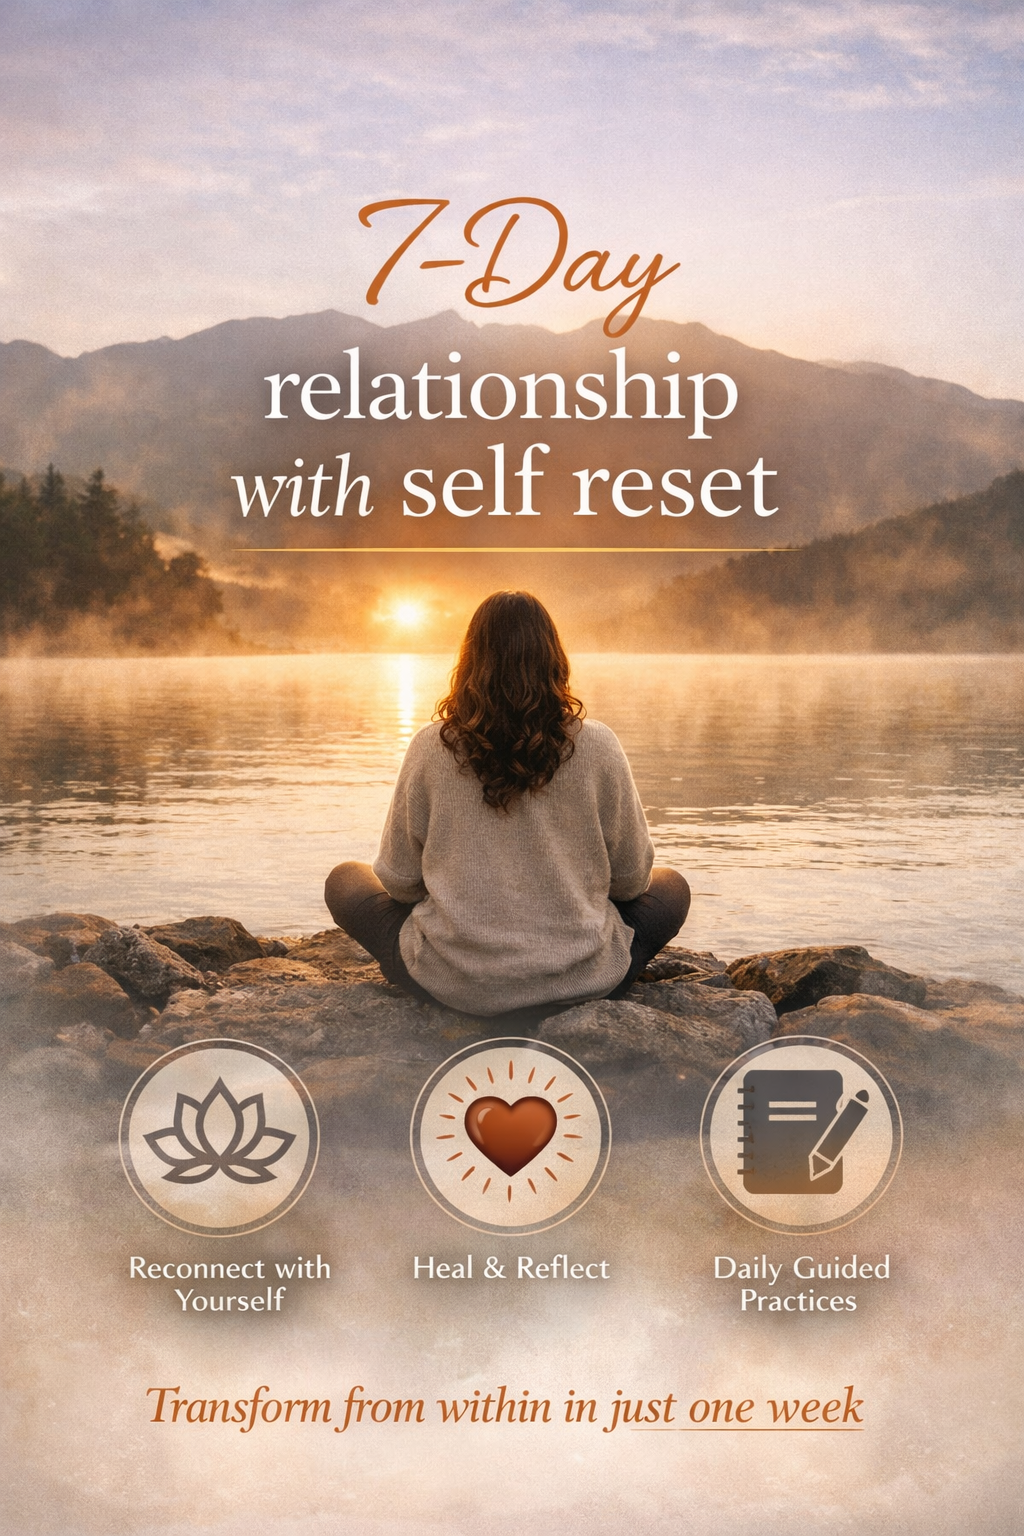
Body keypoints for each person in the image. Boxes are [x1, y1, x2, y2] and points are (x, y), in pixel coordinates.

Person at [325, 591, 689, 1018]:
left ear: (471, 661)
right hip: (582, 978)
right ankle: (570, 966)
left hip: (455, 981)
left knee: (346, 880)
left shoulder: (430, 746)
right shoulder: (599, 745)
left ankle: (468, 968)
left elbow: (400, 881)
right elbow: (631, 881)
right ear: (553, 659)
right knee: (671, 885)